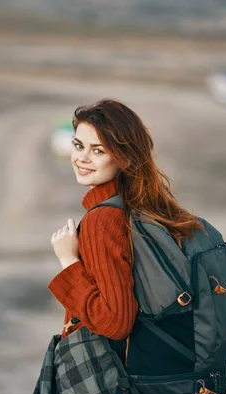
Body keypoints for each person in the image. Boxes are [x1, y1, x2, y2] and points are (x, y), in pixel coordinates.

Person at [48, 98, 204, 371]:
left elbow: (115, 322)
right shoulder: (143, 205)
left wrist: (68, 261)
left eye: (98, 150)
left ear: (124, 158)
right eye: (78, 145)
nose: (82, 158)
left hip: (111, 378)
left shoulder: (104, 219)